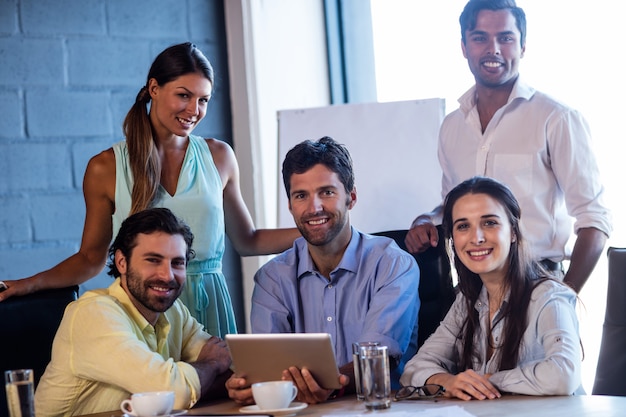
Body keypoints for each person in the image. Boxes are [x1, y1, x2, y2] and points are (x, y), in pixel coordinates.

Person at [0, 42, 300, 337]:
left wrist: (320, 231)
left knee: (216, 385)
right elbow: (91, 258)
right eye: (183, 95)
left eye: (203, 100)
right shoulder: (105, 167)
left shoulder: (219, 157)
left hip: (207, 309)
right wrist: (28, 284)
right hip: (143, 309)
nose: (194, 110)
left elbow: (248, 241)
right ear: (154, 89)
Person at [404, 0, 611, 293]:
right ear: (464, 47)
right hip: (472, 290)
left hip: (537, 282)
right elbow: (455, 204)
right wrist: (427, 219)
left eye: (506, 37)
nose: (494, 49)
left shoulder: (556, 118)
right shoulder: (452, 126)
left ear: (523, 46)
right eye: (480, 38)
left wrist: (564, 296)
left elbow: (595, 220)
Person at [226, 137, 420, 405]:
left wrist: (329, 386)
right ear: (290, 204)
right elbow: (268, 365)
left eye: (327, 192)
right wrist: (250, 384)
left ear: (351, 198)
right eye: (301, 196)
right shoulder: (272, 277)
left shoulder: (393, 264)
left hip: (380, 410)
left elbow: (378, 359)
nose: (313, 207)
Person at [34, 208, 233, 417]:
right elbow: (172, 391)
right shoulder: (94, 313)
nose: (167, 276)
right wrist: (210, 364)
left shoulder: (174, 312)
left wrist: (217, 375)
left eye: (177, 262)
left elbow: (228, 365)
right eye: (153, 260)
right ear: (122, 262)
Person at [400, 176, 581, 400]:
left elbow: (564, 374)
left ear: (513, 232)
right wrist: (449, 382)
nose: (476, 238)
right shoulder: (467, 301)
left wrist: (485, 380)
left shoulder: (549, 297)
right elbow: (413, 370)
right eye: (463, 226)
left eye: (489, 223)